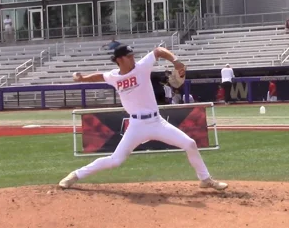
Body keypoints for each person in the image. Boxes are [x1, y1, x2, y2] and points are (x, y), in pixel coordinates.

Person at [58, 44, 227, 191]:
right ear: (120, 59)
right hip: (136, 125)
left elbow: (158, 51)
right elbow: (99, 76)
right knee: (115, 160)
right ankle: (75, 175)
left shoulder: (141, 67)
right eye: (129, 56)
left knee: (190, 144)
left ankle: (205, 179)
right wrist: (82, 78)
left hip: (157, 122)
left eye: (133, 55)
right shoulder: (113, 76)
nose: (133, 58)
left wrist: (175, 61)